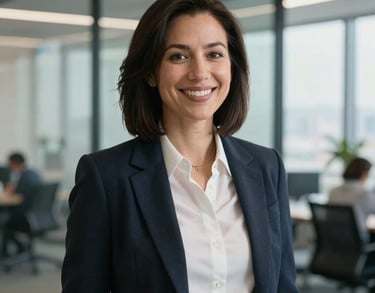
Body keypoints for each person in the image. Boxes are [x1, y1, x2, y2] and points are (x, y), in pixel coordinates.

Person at [61, 0, 298, 292]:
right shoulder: (106, 177)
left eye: (214, 54)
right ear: (150, 72)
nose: (200, 72)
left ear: (231, 66)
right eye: (178, 56)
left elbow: (284, 284)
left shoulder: (266, 167)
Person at [0, 152, 42, 257]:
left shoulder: (24, 177)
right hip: (40, 217)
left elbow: (18, 197)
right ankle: (21, 247)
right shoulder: (33, 173)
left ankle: (7, 253)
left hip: (28, 218)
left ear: (14, 163)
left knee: (3, 221)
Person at [328, 157, 375, 242]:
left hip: (334, 238)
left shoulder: (333, 191)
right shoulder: (364, 194)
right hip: (357, 240)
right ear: (364, 174)